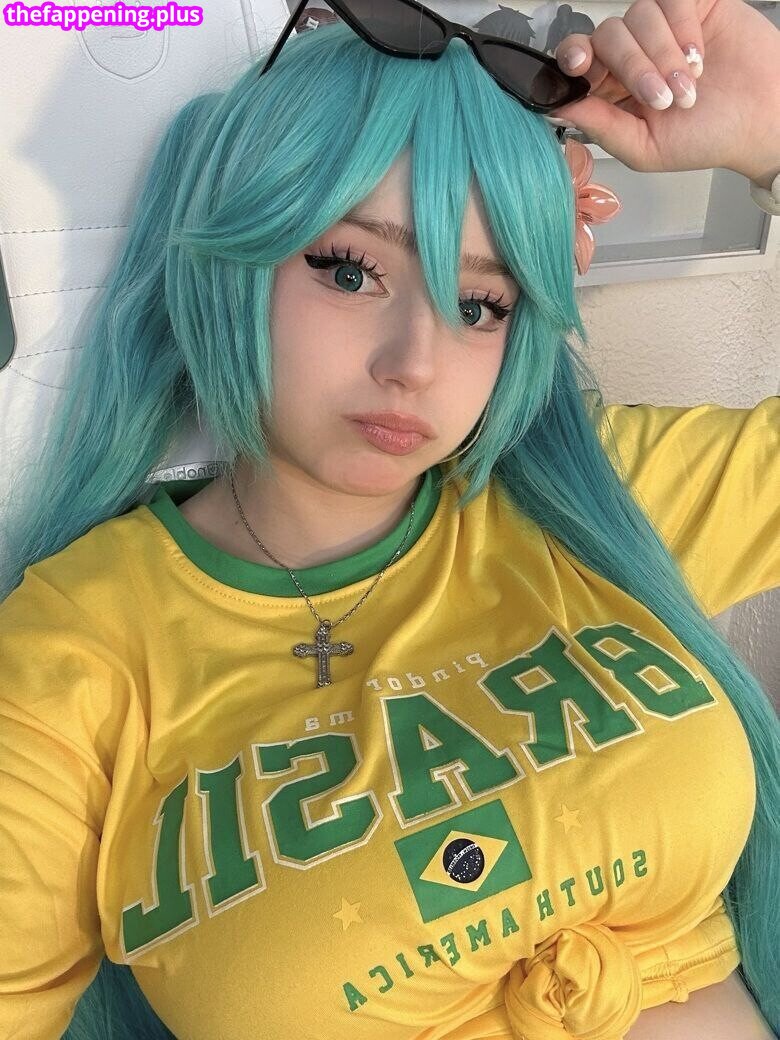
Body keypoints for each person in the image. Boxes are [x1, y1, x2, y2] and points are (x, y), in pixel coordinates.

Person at [0, 1, 778, 1038]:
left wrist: (777, 132)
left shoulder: (592, 504)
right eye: (348, 269)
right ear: (234, 257)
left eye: (480, 304)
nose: (415, 361)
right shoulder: (75, 651)